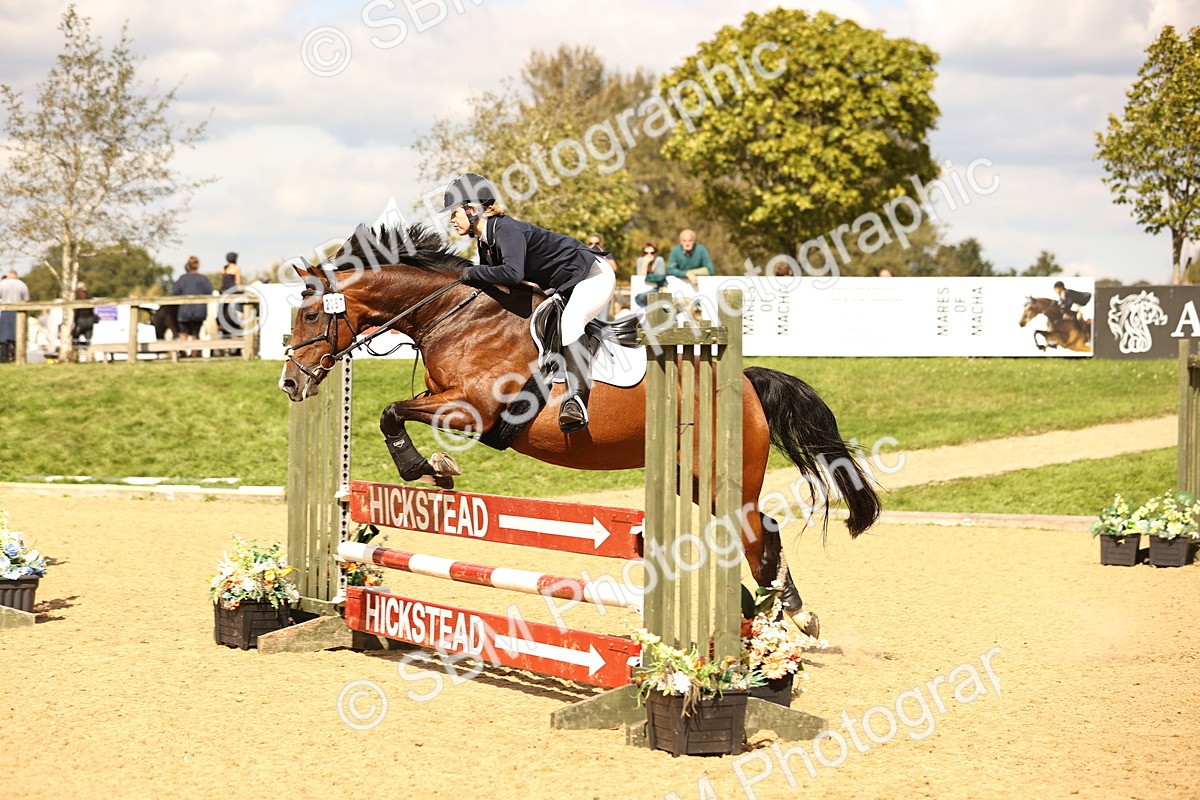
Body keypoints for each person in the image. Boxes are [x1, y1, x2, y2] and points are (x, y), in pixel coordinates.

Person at [441, 172, 615, 433]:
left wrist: (471, 272)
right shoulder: (486, 242)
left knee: (570, 321)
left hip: (592, 275)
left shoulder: (505, 230)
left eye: (454, 212)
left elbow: (512, 274)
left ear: (473, 208)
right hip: (565, 284)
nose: (451, 219)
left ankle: (576, 401)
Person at [173, 256, 213, 357]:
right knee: (195, 333)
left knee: (183, 333)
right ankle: (194, 354)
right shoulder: (203, 279)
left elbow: (175, 293)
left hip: (185, 311)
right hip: (199, 311)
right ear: (198, 265)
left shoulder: (182, 279)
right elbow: (209, 292)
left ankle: (183, 353)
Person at [0, 269, 30, 363]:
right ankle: (17, 357)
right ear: (16, 275)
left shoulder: (2, 284)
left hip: (4, 311)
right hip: (18, 312)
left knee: (3, 336)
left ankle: (4, 357)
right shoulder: (22, 285)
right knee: (17, 335)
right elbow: (26, 299)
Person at [216, 251, 243, 355]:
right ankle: (240, 320)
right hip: (233, 292)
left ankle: (219, 321)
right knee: (239, 309)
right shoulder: (236, 268)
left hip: (223, 292)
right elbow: (238, 282)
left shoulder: (223, 268)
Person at [633, 242, 666, 308]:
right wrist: (645, 264)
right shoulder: (640, 260)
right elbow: (640, 279)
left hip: (658, 288)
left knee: (641, 298)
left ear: (655, 253)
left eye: (652, 253)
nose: (649, 255)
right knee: (639, 298)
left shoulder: (659, 260)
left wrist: (648, 277)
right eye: (646, 253)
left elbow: (660, 278)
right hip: (644, 289)